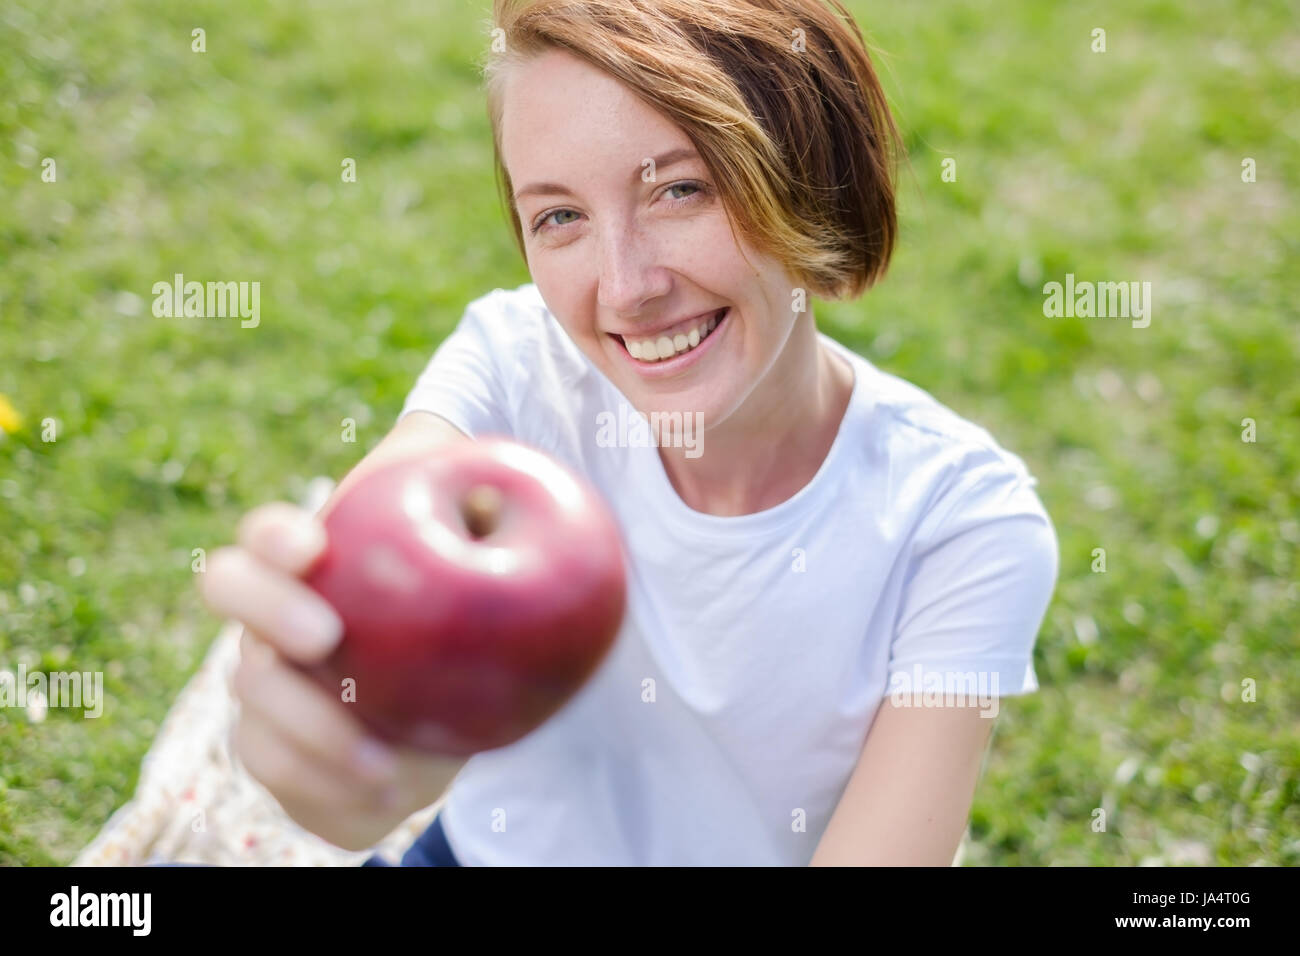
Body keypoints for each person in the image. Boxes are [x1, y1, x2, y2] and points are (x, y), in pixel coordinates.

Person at [199, 0, 1058, 866]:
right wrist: (339, 700)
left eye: (681, 188)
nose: (624, 289)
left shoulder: (960, 524)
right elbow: (369, 569)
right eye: (559, 217)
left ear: (810, 177)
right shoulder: (513, 362)